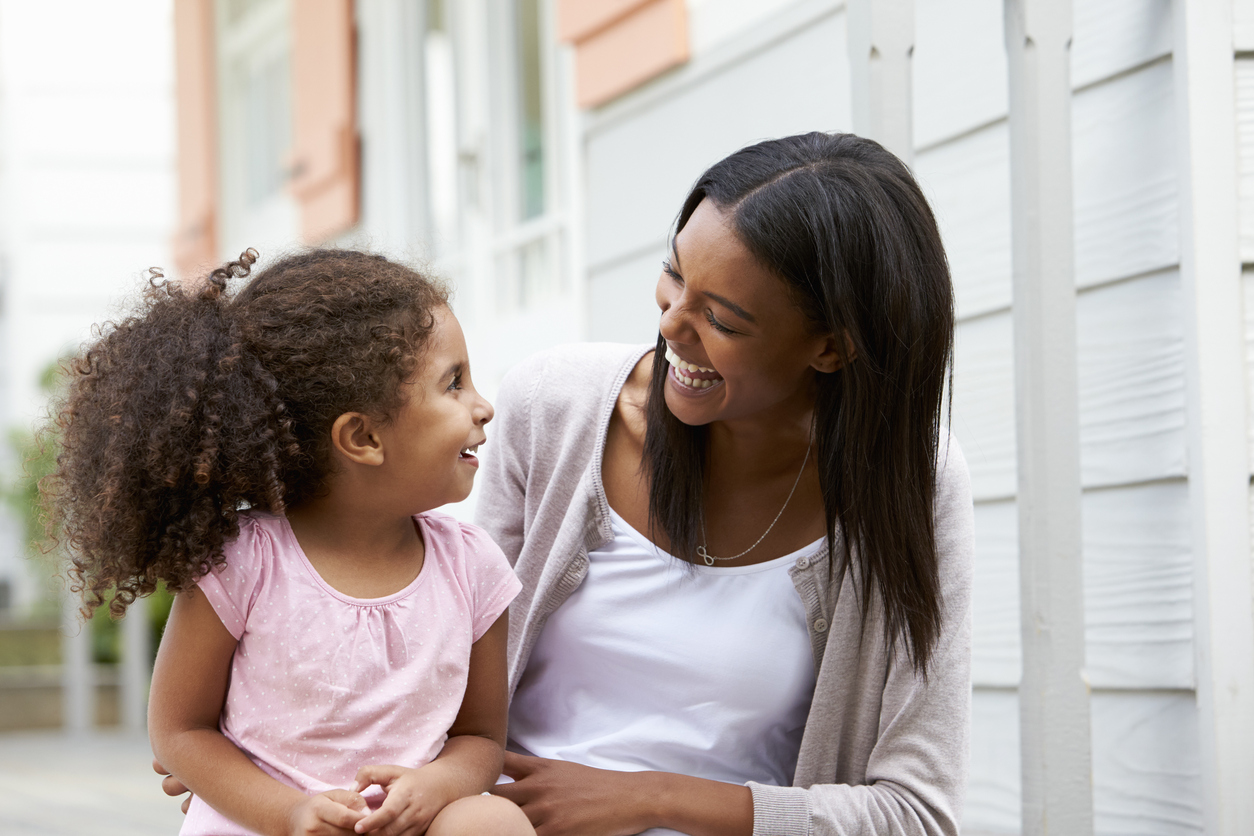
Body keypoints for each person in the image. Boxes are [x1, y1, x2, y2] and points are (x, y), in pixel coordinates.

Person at [477, 132, 974, 836]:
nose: (671, 325)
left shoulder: (912, 486)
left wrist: (651, 798)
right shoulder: (553, 408)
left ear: (831, 347)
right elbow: (430, 680)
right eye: (674, 276)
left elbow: (914, 815)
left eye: (721, 318)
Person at [47, 250, 535, 836]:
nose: (482, 406)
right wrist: (291, 813)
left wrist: (438, 786)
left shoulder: (473, 566)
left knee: (492, 820)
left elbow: (480, 737)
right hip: (267, 823)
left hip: (405, 826)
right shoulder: (245, 561)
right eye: (453, 383)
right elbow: (178, 731)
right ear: (362, 437)